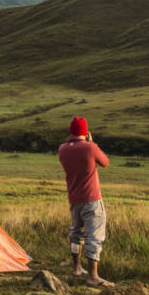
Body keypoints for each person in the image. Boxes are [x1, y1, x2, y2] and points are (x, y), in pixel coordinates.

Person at [58, 117, 114, 288]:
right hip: (91, 199)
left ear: (71, 131)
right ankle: (93, 276)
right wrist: (93, 143)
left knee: (76, 234)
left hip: (74, 199)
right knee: (94, 236)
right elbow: (105, 162)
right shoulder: (90, 147)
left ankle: (76, 268)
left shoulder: (62, 149)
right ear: (85, 132)